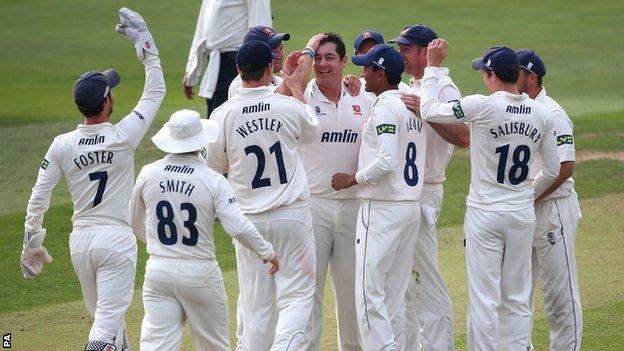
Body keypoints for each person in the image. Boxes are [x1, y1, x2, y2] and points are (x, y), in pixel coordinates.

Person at [20, 8, 165, 351]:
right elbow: (155, 91)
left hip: (81, 244)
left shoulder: (61, 145)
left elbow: (39, 194)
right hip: (116, 242)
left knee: (109, 324)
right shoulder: (123, 136)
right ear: (108, 101)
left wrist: (32, 242)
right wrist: (147, 44)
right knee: (104, 329)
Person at [419, 40, 560, 350]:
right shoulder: (540, 113)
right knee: (517, 297)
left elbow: (429, 109)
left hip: (485, 213)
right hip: (521, 215)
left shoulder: (481, 105)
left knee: (484, 297)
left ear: (491, 74)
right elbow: (553, 168)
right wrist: (524, 196)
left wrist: (432, 67)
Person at [205, 37, 322, 350]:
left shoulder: (222, 114)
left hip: (248, 222)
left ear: (239, 69)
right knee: (296, 298)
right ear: (271, 67)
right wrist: (297, 88)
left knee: (256, 307)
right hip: (291, 217)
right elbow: (313, 132)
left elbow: (215, 166)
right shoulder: (287, 106)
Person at [130, 109, 279, 350]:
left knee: (156, 346)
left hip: (158, 270)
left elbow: (135, 220)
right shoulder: (212, 179)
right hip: (200, 273)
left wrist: (158, 245)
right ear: (200, 141)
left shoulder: (148, 173)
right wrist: (267, 252)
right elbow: (237, 226)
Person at [332, 44, 425, 351]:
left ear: (381, 74)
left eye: (367, 68)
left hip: (383, 208)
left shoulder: (386, 107)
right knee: (393, 296)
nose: (362, 72)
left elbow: (386, 162)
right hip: (409, 207)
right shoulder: (411, 106)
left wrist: (351, 180)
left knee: (369, 294)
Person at [390, 24, 470, 351]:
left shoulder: (445, 88)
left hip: (426, 191)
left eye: (407, 48)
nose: (401, 54)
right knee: (408, 283)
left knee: (426, 280)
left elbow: (463, 136)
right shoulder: (417, 84)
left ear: (426, 51)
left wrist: (425, 111)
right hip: (409, 191)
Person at [299, 32, 373, 351]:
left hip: (353, 207)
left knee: (351, 294)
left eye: (330, 57)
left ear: (344, 61)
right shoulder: (300, 95)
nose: (323, 64)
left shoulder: (363, 98)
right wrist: (306, 49)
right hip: (313, 207)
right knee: (308, 295)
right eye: (318, 58)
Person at [516, 49, 583, 351]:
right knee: (518, 294)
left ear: (531, 77)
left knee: (560, 299)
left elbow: (564, 168)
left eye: (513, 72)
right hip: (525, 211)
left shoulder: (553, 113)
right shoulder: (516, 109)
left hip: (553, 210)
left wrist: (524, 197)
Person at [182, 0, 272, 117]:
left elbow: (260, 28)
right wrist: (191, 70)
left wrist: (258, 65)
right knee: (216, 118)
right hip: (215, 64)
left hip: (240, 63)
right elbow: (202, 30)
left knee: (233, 118)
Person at [228, 25, 290, 97]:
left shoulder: (279, 81)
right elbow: (269, 100)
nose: (281, 55)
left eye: (281, 48)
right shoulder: (240, 85)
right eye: (274, 52)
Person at [352, 30, 410, 96]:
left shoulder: (405, 91)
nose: (369, 55)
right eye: (364, 52)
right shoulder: (353, 89)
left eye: (374, 50)